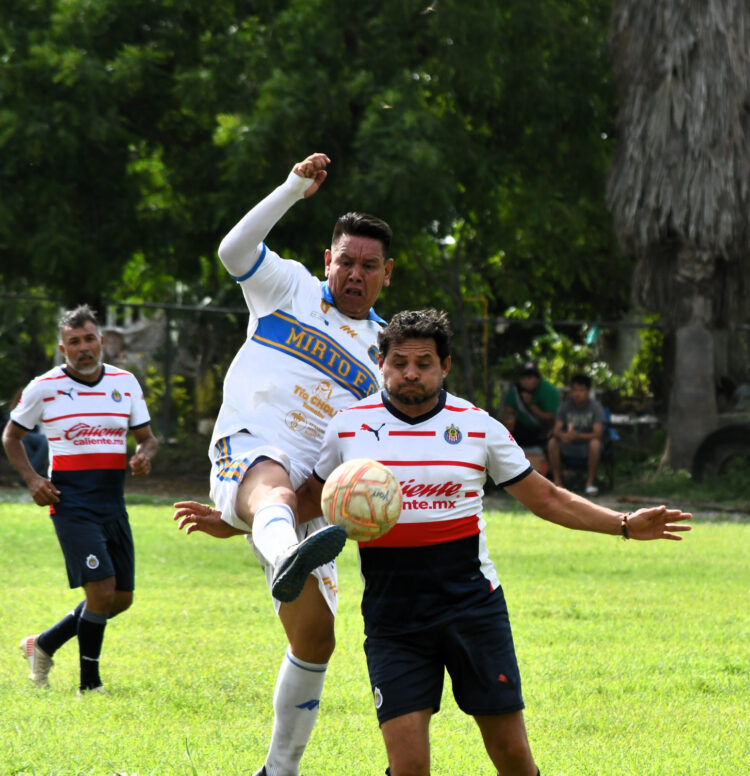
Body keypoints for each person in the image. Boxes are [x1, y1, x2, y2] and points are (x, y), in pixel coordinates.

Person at [177, 309, 692, 776]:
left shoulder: (476, 427)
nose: (410, 373)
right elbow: (308, 498)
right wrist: (236, 522)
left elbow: (548, 498)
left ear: (444, 366)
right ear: (381, 363)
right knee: (408, 767)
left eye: (423, 363)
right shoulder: (350, 428)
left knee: (512, 755)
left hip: (472, 608)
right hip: (393, 618)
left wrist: (624, 523)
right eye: (399, 362)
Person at [174, 152, 394, 776]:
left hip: (309, 503)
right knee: (269, 485)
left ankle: (277, 770)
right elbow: (233, 250)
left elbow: (339, 465)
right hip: (249, 448)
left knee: (317, 638)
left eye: (368, 265)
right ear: (328, 261)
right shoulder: (288, 286)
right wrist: (292, 190)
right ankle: (279, 549)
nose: (354, 273)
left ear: (386, 275)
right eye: (345, 260)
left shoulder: (385, 355)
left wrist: (248, 522)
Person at [2, 304, 158, 695]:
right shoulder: (45, 387)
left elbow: (148, 438)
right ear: (62, 348)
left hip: (113, 502)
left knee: (119, 599)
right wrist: (32, 478)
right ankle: (90, 685)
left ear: (102, 342)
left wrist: (144, 456)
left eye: (89, 339)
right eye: (74, 342)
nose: (83, 347)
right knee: (101, 593)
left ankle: (44, 643)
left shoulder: (125, 383)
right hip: (70, 502)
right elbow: (11, 436)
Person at [547, 372, 606, 495]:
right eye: (574, 390)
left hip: (587, 446)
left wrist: (578, 436)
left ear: (588, 391)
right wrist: (562, 435)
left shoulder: (595, 408)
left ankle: (590, 484)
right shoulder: (564, 407)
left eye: (581, 390)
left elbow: (598, 433)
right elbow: (556, 429)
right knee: (552, 442)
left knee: (595, 443)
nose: (577, 394)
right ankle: (558, 482)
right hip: (568, 445)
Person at [501, 361, 560, 473]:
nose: (526, 381)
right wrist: (507, 429)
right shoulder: (516, 391)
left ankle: (551, 474)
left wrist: (531, 405)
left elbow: (550, 419)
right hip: (522, 429)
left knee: (552, 440)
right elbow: (508, 412)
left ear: (538, 379)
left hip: (544, 430)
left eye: (530, 377)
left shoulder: (549, 391)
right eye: (524, 377)